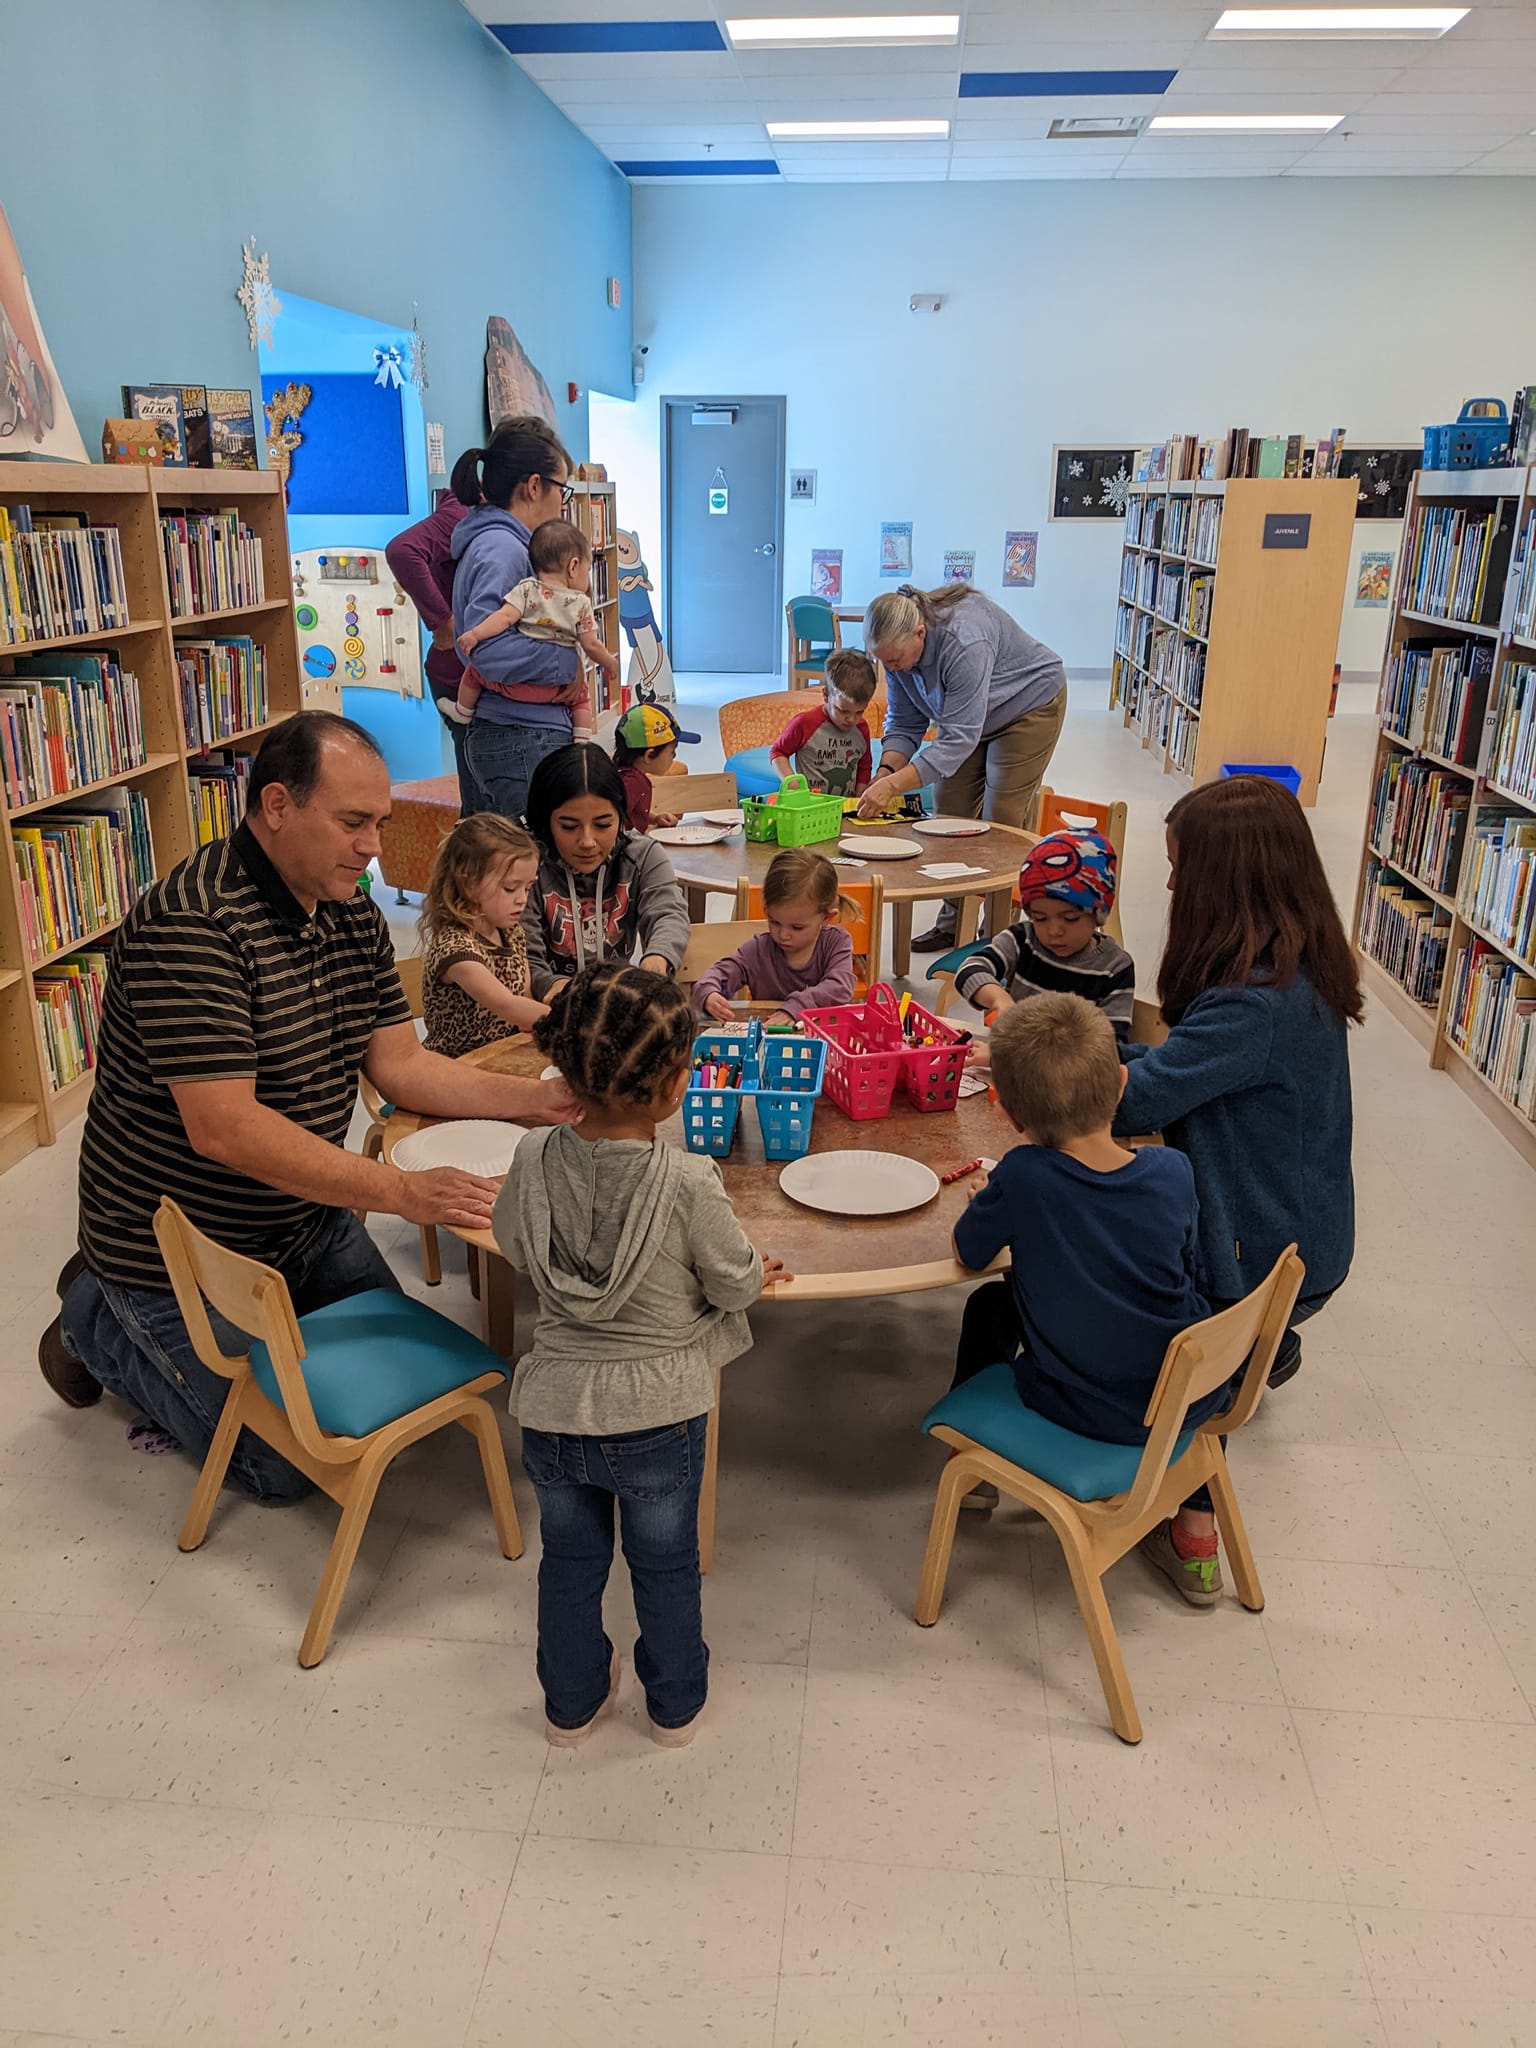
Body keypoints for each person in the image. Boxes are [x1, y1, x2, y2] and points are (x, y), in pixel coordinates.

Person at [38, 713, 577, 1501]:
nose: (372, 848)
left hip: (303, 1217)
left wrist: (540, 1101)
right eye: (354, 823)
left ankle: (171, 1314)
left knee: (405, 1396)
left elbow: (400, 1066)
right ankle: (93, 1318)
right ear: (279, 806)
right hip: (181, 1252)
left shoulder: (346, 906)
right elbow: (225, 1128)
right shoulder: (192, 924)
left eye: (381, 824)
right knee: (287, 1467)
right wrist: (401, 1192)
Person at [494, 961, 791, 1746]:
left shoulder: (530, 1159)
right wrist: (757, 1270)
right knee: (665, 1568)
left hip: (554, 1410)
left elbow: (513, 1245)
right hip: (658, 1416)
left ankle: (570, 1705)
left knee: (569, 1563)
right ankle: (674, 1705)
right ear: (672, 1088)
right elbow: (733, 1286)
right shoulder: (691, 1180)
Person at [1115, 774, 1360, 1607]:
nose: (1174, 885)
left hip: (1256, 1256)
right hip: (1307, 1235)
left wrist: (1047, 1058)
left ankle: (1188, 1514)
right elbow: (1185, 1074)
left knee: (1094, 1283)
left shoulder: (1250, 1007)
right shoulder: (1298, 969)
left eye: (1182, 870)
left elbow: (1139, 1099)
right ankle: (1263, 1348)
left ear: (1226, 880)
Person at [950, 994, 1212, 1517]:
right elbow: (1185, 1266)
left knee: (987, 1305)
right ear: (1120, 1082)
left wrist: (989, 1197)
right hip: (1188, 1396)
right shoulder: (1173, 1170)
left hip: (1088, 1408)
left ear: (1004, 1110)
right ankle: (1197, 1533)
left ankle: (974, 1467)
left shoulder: (1024, 1175)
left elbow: (968, 1252)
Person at [858, 583, 1067, 948]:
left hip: (1027, 705)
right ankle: (953, 924)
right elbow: (905, 723)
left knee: (1001, 818)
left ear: (920, 633)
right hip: (968, 718)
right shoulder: (896, 653)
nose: (891, 669)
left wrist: (893, 788)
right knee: (948, 815)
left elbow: (957, 741)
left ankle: (998, 936)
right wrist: (885, 774)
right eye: (884, 662)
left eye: (895, 661)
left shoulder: (965, 640)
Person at [449, 417, 585, 824]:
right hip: (521, 734)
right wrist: (567, 664)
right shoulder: (504, 550)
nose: (563, 503)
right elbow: (486, 648)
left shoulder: (506, 544)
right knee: (530, 871)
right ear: (533, 486)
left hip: (521, 731)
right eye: (562, 489)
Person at [521, 743, 690, 1002]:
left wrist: (657, 961)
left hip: (613, 1005)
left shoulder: (642, 855)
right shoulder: (524, 866)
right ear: (545, 822)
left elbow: (668, 913)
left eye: (603, 824)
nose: (587, 841)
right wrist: (551, 986)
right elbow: (523, 950)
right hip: (544, 1010)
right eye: (568, 827)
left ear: (621, 817)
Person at [955, 830, 1135, 1042]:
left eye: (1070, 919)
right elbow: (969, 970)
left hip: (1071, 1072)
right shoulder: (1023, 940)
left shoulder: (1115, 968)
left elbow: (1109, 1050)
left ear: (1097, 915)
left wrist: (1013, 1055)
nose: (1053, 931)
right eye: (1040, 918)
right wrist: (999, 999)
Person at [451, 517, 617, 741]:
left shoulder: (526, 589)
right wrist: (610, 663)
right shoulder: (581, 604)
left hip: (513, 687)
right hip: (556, 690)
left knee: (473, 672)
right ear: (573, 566)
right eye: (587, 571)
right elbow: (591, 645)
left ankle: (462, 713)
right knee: (582, 697)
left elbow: (503, 618)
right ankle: (581, 740)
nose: (587, 579)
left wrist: (474, 634)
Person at [420, 813, 549, 1058]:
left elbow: (525, 1001)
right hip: (453, 1070)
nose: (522, 899)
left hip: (502, 1057)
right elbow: (508, 1006)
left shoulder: (512, 933)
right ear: (469, 884)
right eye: (510, 888)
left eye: (528, 887)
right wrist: (575, 1024)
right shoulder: (456, 949)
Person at [384, 488, 480, 813]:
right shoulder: (465, 511)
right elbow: (401, 550)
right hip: (459, 667)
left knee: (479, 790)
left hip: (467, 666)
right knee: (482, 797)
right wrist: (443, 623)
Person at [694, 848, 856, 1027]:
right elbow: (721, 973)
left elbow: (840, 988)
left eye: (797, 927)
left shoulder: (836, 943)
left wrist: (797, 1006)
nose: (782, 935)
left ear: (826, 918)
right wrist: (709, 993)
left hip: (823, 1044)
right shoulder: (758, 949)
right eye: (774, 922)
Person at [769, 647, 877, 796]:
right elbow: (778, 751)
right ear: (826, 695)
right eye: (843, 711)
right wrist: (791, 781)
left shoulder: (861, 728)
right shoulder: (805, 723)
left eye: (859, 712)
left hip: (845, 807)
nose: (852, 719)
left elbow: (865, 766)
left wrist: (859, 798)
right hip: (810, 806)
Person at [612, 702, 701, 835]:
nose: (675, 756)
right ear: (649, 755)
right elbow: (612, 819)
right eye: (672, 751)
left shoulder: (626, 775)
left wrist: (654, 818)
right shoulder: (631, 783)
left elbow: (631, 813)